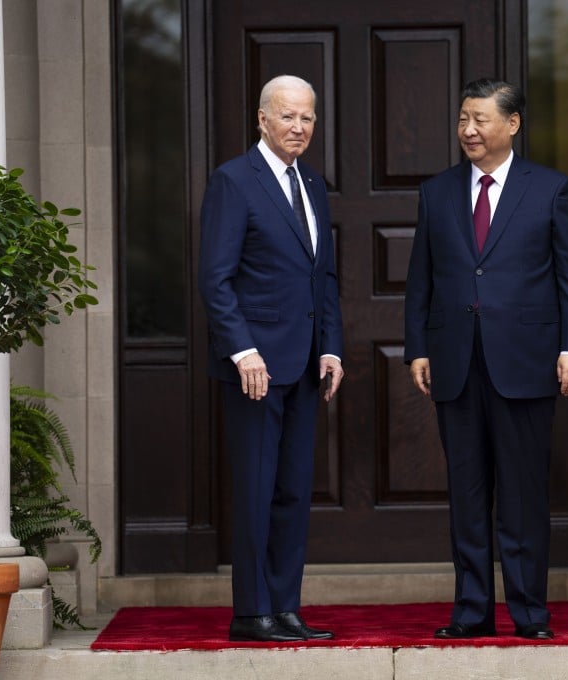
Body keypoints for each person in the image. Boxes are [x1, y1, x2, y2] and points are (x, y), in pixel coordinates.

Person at [404, 78, 568, 640]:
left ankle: (530, 613)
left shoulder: (550, 188)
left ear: (512, 124)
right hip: (456, 362)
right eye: (463, 119)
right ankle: (471, 612)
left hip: (528, 361)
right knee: (467, 496)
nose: (469, 130)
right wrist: (418, 346)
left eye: (480, 119)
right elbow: (422, 279)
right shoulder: (437, 192)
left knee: (523, 493)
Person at [198, 74, 344, 643]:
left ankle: (284, 608)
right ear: (262, 119)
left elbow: (323, 275)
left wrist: (330, 346)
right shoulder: (234, 180)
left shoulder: (312, 182)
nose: (300, 127)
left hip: (306, 366)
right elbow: (216, 279)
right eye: (288, 117)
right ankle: (250, 612)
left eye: (308, 117)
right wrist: (243, 351)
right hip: (254, 368)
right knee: (257, 491)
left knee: (291, 493)